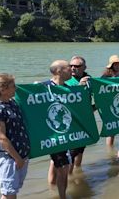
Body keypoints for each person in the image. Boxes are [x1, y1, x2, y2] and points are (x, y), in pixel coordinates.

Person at [44, 60, 73, 199]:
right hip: (53, 137)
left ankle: (54, 192)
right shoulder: (44, 88)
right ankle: (62, 196)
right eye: (68, 67)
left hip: (67, 135)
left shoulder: (69, 89)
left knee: (61, 167)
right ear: (58, 71)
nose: (72, 69)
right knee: (63, 168)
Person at [0, 73, 30, 199]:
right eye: (13, 86)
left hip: (21, 156)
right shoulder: (0, 108)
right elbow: (1, 137)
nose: (16, 88)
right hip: (9, 158)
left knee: (13, 191)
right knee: (9, 193)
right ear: (3, 89)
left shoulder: (12, 103)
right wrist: (17, 158)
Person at [67, 56, 91, 175]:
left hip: (85, 121)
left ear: (84, 67)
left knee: (81, 151)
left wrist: (94, 109)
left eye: (77, 66)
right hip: (70, 123)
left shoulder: (89, 79)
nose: (73, 68)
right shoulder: (65, 80)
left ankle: (77, 175)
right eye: (71, 65)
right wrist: (80, 87)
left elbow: (98, 97)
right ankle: (69, 178)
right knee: (71, 153)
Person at [101, 55, 119, 147]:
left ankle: (117, 147)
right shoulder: (105, 77)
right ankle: (109, 149)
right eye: (116, 64)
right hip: (109, 105)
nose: (118, 66)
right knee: (111, 129)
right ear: (111, 66)